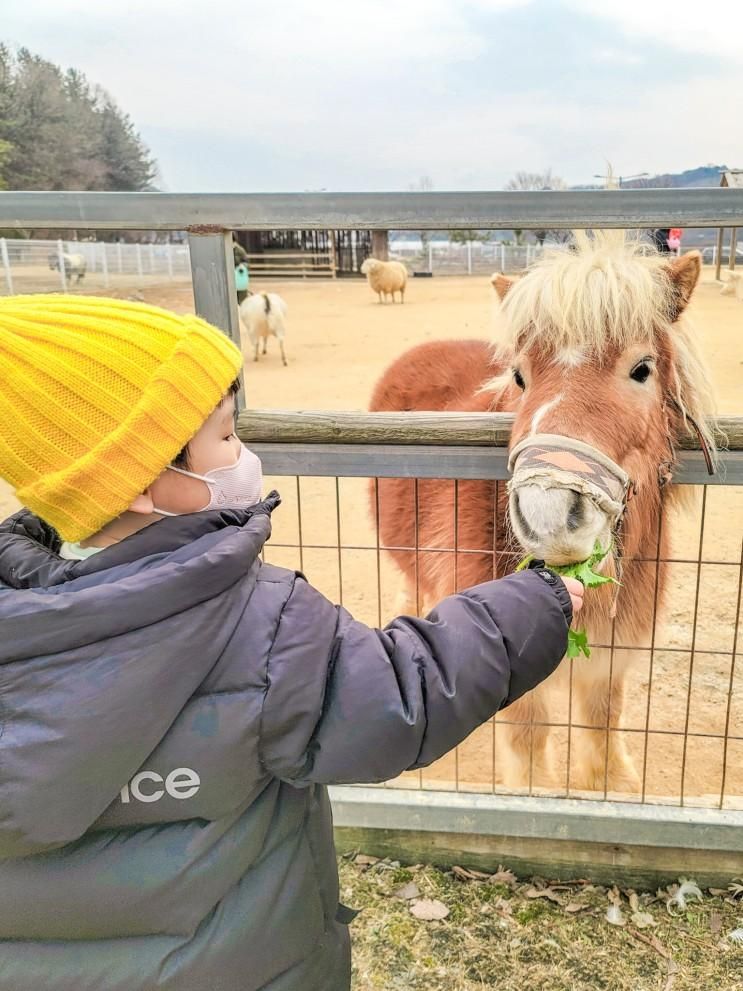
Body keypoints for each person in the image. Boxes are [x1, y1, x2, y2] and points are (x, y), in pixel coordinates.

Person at [0, 295, 584, 991]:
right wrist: (536, 601)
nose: (245, 454)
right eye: (226, 437)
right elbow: (403, 691)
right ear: (140, 485)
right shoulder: (261, 625)